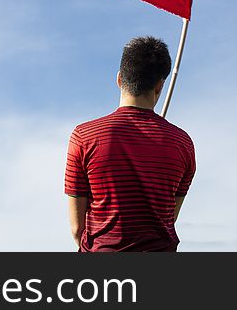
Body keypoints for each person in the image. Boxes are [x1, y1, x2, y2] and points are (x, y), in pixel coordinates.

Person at [64, 36, 196, 252]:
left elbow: (77, 228)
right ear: (160, 86)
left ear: (119, 79)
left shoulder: (84, 137)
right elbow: (167, 219)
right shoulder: (183, 143)